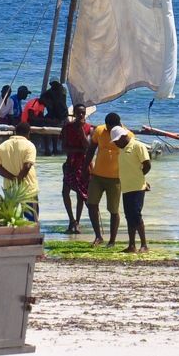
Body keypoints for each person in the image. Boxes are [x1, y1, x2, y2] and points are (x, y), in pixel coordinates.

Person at [83, 111, 124, 246]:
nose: (111, 131)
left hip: (115, 178)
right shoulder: (100, 131)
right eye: (109, 128)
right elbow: (91, 149)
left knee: (113, 210)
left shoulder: (126, 135)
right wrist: (84, 168)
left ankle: (112, 240)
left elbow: (130, 158)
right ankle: (98, 236)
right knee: (91, 204)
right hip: (97, 176)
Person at [112, 126, 152, 253]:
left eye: (116, 141)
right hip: (126, 188)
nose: (116, 144)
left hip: (137, 187)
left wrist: (140, 179)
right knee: (129, 217)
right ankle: (132, 245)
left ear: (123, 137)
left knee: (136, 215)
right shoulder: (122, 149)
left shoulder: (138, 146)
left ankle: (144, 245)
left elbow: (147, 165)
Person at [0, 120, 39, 220]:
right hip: (28, 189)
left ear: (15, 132)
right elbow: (27, 166)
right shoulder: (30, 146)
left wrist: (13, 179)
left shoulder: (1, 147)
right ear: (28, 133)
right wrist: (18, 180)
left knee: (13, 221)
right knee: (32, 221)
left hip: (9, 189)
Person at [60, 104, 93, 233]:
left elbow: (87, 146)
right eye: (78, 113)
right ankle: (71, 220)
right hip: (71, 163)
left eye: (83, 113)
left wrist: (81, 131)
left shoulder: (88, 128)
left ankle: (77, 222)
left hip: (84, 164)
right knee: (65, 192)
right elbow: (64, 147)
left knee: (81, 194)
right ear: (73, 113)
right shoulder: (67, 127)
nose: (81, 115)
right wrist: (78, 149)